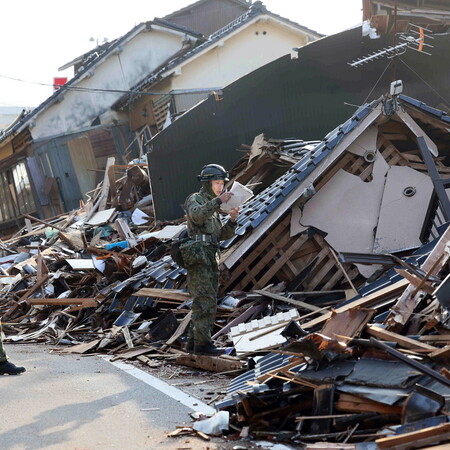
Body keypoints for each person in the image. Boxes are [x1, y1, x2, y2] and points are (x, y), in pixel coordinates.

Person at [181, 164, 239, 356]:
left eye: (222, 183)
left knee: (205, 300)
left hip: (209, 254)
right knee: (204, 300)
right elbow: (197, 217)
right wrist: (217, 202)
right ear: (207, 183)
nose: (220, 187)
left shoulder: (213, 206)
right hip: (199, 256)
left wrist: (232, 220)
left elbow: (219, 234)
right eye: (216, 183)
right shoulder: (196, 199)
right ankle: (203, 345)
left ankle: (194, 343)